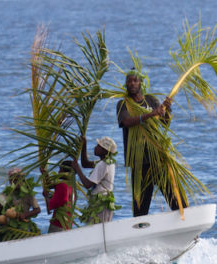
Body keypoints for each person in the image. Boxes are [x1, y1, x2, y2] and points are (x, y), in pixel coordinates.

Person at [117, 68, 180, 216]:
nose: (132, 83)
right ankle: (139, 232)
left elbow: (164, 124)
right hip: (139, 162)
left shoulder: (151, 100)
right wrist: (151, 113)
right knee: (140, 207)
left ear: (140, 83)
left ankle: (187, 227)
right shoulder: (123, 104)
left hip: (157, 157)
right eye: (129, 81)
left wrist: (167, 111)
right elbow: (126, 121)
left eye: (135, 80)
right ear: (126, 84)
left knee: (174, 197)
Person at [72, 137, 119, 224]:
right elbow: (85, 164)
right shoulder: (107, 162)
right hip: (101, 202)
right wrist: (84, 145)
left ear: (105, 151)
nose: (95, 148)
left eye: (98, 146)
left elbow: (87, 184)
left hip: (101, 203)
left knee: (98, 229)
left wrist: (77, 168)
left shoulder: (102, 164)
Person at [41, 161, 76, 233]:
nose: (58, 172)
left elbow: (50, 207)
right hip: (68, 223)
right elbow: (51, 185)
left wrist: (47, 196)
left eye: (60, 170)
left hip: (59, 224)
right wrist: (46, 175)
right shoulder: (71, 185)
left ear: (64, 172)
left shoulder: (62, 186)